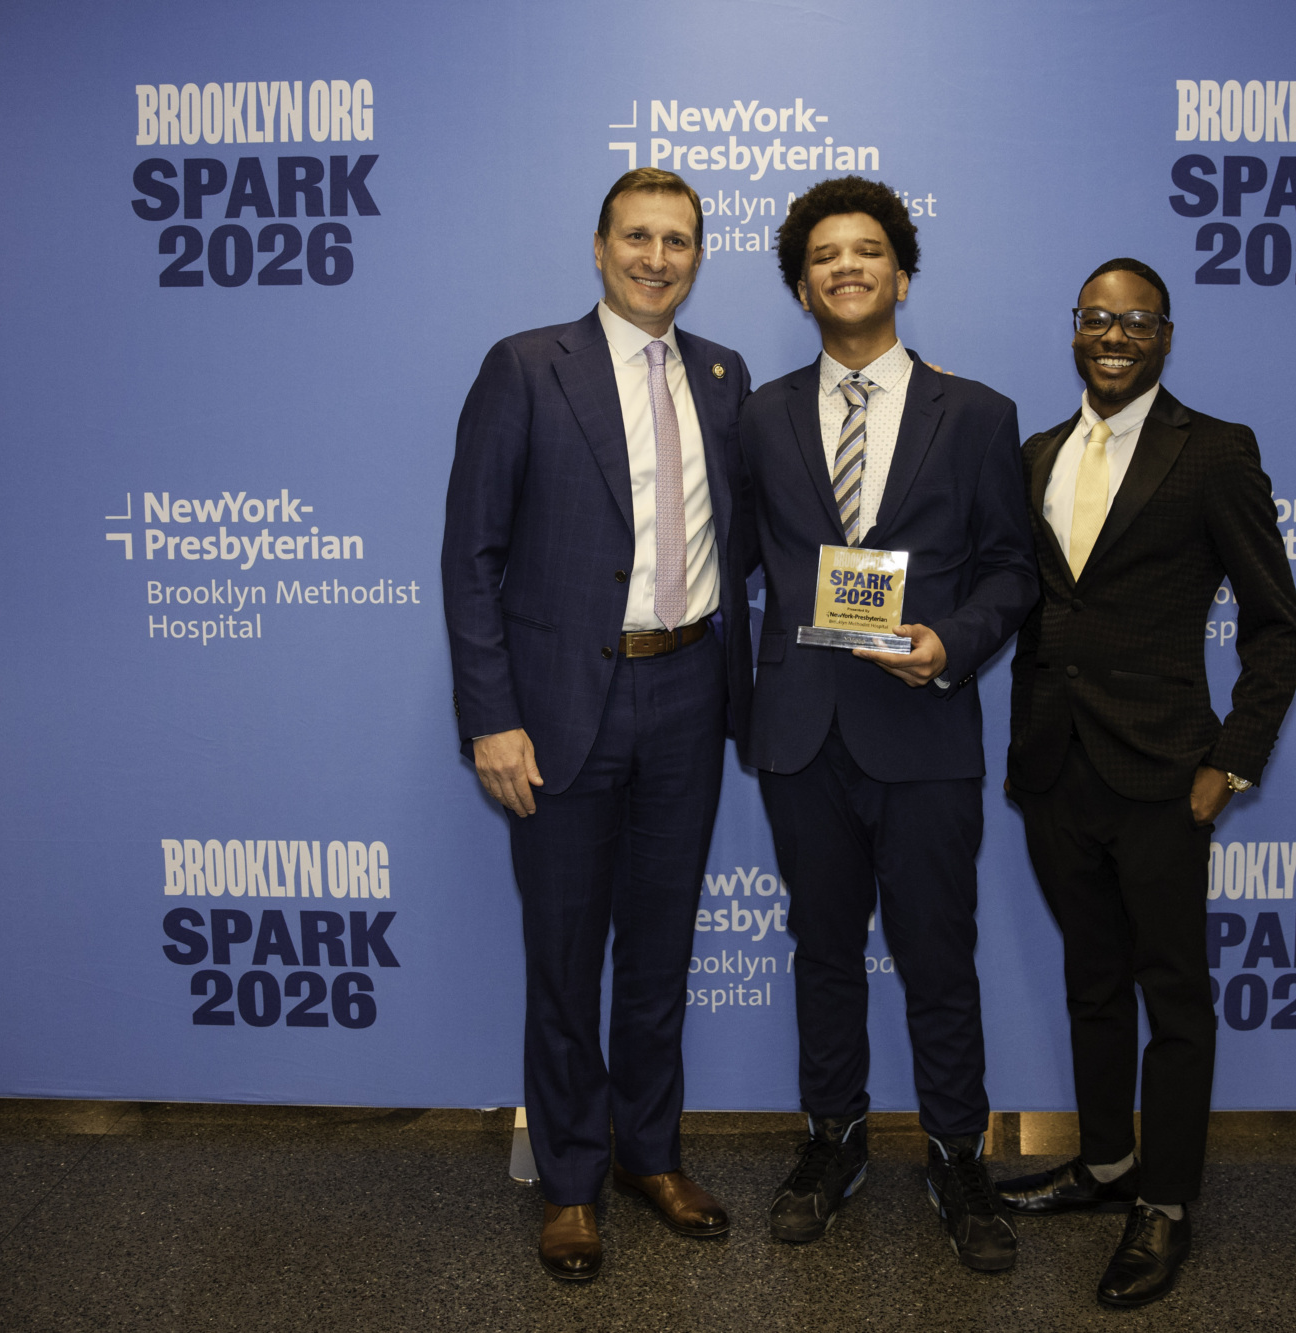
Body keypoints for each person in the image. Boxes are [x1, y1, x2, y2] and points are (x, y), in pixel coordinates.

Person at [440, 168, 753, 1281]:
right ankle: (572, 1180)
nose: (655, 257)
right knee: (566, 957)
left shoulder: (724, 375)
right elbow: (470, 557)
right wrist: (491, 717)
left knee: (659, 953)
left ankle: (649, 1156)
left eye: (676, 240)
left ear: (698, 255)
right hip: (563, 705)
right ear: (597, 245)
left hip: (688, 693)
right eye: (636, 236)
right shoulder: (525, 366)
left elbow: (779, 514)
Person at [738, 175, 1037, 1272]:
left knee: (936, 958)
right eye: (823, 257)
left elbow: (1011, 569)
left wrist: (952, 644)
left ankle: (957, 1155)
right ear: (801, 285)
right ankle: (832, 1138)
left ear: (900, 274)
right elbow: (729, 566)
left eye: (867, 250)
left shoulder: (979, 415)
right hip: (802, 731)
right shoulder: (758, 414)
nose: (846, 268)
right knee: (820, 952)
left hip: (921, 731)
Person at [994, 258, 1296, 1308]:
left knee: (1171, 994)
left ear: (1165, 336)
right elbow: (1028, 613)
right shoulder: (1034, 452)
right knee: (1090, 978)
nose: (1112, 336)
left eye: (1134, 322)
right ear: (1072, 332)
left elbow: (1274, 624)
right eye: (1094, 319)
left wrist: (1229, 760)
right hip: (1053, 769)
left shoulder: (1213, 451)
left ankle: (1162, 1200)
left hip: (1166, 773)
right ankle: (1105, 1164)